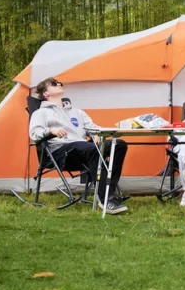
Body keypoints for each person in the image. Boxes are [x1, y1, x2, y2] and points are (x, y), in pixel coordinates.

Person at [29, 77, 128, 215]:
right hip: (61, 153)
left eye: (60, 83)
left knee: (118, 144)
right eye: (54, 84)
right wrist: (51, 130)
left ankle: (109, 193)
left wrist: (98, 134)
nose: (59, 84)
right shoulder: (41, 113)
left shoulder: (77, 112)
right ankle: (106, 200)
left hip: (83, 150)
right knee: (89, 148)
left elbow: (93, 128)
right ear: (45, 93)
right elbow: (34, 133)